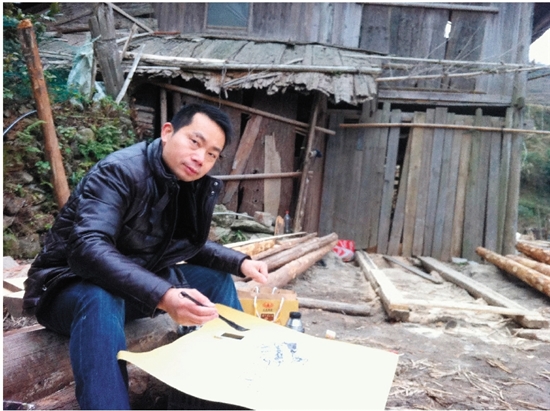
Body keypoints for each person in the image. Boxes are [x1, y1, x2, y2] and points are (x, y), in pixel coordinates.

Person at [23, 103, 269, 410]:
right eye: (195, 142)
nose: (200, 158)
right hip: (65, 287)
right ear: (167, 132)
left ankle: (233, 392)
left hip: (130, 287)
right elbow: (88, 248)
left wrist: (240, 262)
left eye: (211, 154)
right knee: (101, 296)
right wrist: (164, 295)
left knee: (215, 280)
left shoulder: (185, 184)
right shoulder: (118, 172)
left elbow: (186, 243)